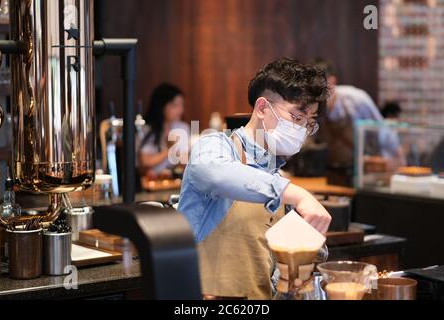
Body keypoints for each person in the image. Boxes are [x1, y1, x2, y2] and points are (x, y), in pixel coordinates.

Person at [178, 58, 332, 299]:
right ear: (262, 108)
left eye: (309, 123)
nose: (302, 130)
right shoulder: (216, 147)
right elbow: (215, 172)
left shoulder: (276, 178)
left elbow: (278, 278)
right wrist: (297, 193)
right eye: (296, 117)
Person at [314, 59, 383, 186]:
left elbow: (383, 133)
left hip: (361, 173)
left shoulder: (356, 99)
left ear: (332, 82)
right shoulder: (310, 106)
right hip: (328, 173)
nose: (316, 93)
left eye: (319, 86)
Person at [139, 83, 190, 179]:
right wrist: (170, 149)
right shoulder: (146, 129)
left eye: (182, 105)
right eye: (175, 105)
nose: (181, 110)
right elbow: (145, 162)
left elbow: (185, 164)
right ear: (162, 106)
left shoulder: (183, 128)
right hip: (150, 183)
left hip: (174, 181)